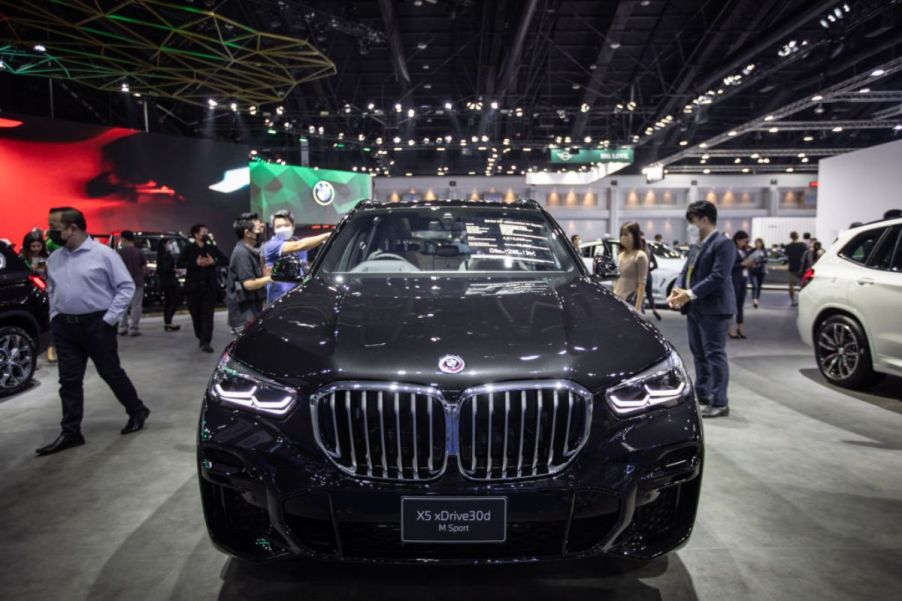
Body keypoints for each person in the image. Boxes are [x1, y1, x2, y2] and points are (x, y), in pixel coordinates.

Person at [36, 207, 150, 456]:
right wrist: (55, 318)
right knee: (68, 381)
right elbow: (53, 291)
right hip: (65, 327)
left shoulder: (104, 254)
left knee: (111, 373)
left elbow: (125, 287)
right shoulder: (55, 258)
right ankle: (71, 432)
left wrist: (108, 320)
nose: (50, 232)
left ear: (72, 227)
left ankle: (137, 410)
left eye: (54, 226)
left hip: (96, 325)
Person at [667, 201, 736, 419]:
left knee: (714, 355)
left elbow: (717, 277)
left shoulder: (724, 244)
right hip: (696, 308)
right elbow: (685, 270)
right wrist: (677, 290)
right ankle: (702, 394)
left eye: (693, 221)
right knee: (698, 354)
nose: (692, 226)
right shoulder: (697, 245)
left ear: (704, 219)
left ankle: (719, 402)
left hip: (715, 309)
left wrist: (689, 293)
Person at [262, 210, 331, 303]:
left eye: (286, 225)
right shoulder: (271, 246)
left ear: (293, 226)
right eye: (278, 226)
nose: (282, 228)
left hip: (299, 297)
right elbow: (298, 246)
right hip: (279, 299)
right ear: (274, 229)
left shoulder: (298, 242)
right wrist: (327, 235)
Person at [180, 224, 228, 353]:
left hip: (209, 287)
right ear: (196, 234)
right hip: (193, 287)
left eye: (207, 232)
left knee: (208, 315)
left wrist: (214, 262)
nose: (205, 235)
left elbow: (225, 260)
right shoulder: (189, 249)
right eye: (203, 232)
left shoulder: (212, 248)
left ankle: (206, 342)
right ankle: (200, 337)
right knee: (196, 314)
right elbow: (180, 263)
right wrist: (195, 264)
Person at [227, 213, 272, 334]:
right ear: (247, 233)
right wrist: (270, 278)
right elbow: (249, 284)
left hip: (252, 311)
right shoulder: (241, 253)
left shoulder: (252, 251)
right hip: (244, 316)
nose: (261, 231)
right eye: (258, 229)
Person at [613, 222, 649, 313]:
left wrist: (637, 308)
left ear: (634, 236)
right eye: (621, 235)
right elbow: (617, 279)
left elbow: (642, 283)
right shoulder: (620, 255)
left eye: (626, 234)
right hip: (617, 299)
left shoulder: (640, 256)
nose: (622, 237)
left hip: (630, 302)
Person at [116, 230, 146, 337]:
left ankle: (122, 327)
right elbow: (143, 268)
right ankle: (134, 328)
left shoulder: (119, 252)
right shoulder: (139, 252)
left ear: (123, 239)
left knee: (123, 306)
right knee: (136, 306)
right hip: (137, 282)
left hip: (122, 283)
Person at [728, 231, 754, 339]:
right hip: (734, 280)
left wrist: (751, 264)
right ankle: (730, 329)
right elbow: (729, 266)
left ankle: (740, 328)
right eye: (744, 240)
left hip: (743, 280)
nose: (746, 243)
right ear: (738, 240)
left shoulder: (744, 250)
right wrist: (742, 264)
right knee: (732, 305)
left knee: (740, 305)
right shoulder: (731, 250)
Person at [156, 239, 182, 332]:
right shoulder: (167, 255)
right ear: (164, 244)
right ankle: (168, 321)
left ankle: (168, 322)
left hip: (164, 282)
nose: (170, 245)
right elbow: (167, 268)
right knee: (174, 301)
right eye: (169, 243)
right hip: (170, 282)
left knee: (168, 303)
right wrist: (174, 270)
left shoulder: (159, 255)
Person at [640, 232, 662, 321]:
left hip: (640, 275)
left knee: (640, 294)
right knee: (649, 295)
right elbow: (656, 265)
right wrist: (649, 270)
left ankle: (642, 312)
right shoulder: (649, 251)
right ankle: (654, 309)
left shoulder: (638, 252)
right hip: (648, 275)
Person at [784, 231, 807, 307]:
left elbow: (786, 256)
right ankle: (803, 301)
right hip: (802, 268)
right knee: (803, 285)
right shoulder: (803, 245)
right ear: (798, 236)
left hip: (792, 268)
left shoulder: (788, 246)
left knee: (791, 286)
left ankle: (793, 301)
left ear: (791, 237)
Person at [748, 238, 768, 309]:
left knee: (759, 286)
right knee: (755, 285)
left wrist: (758, 262)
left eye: (758, 243)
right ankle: (754, 299)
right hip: (753, 271)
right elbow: (748, 258)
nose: (757, 244)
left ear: (762, 243)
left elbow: (765, 260)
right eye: (756, 243)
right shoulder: (752, 250)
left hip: (761, 271)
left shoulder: (764, 251)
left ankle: (757, 299)